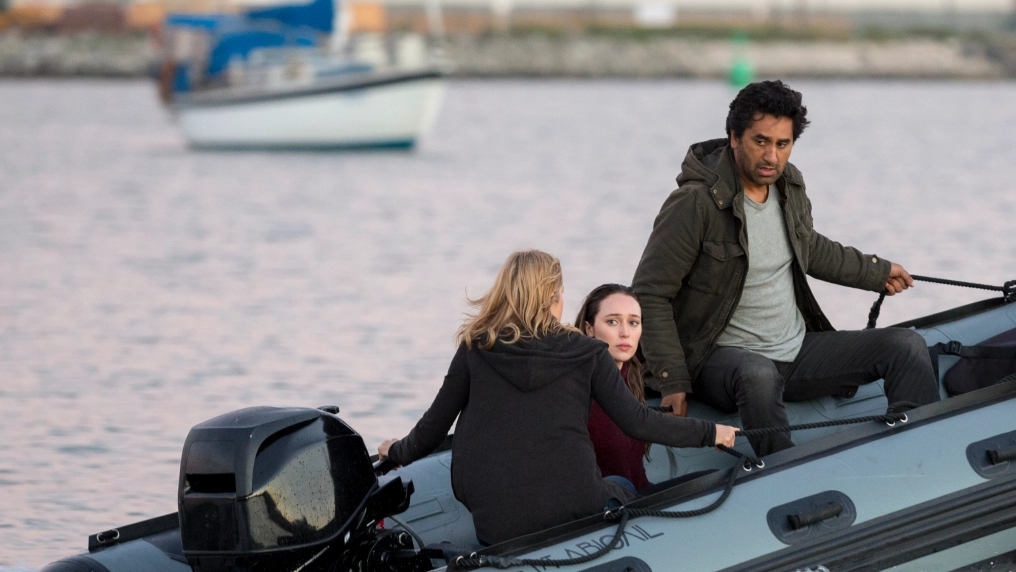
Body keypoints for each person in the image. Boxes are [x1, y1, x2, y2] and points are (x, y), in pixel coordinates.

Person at [632, 79, 938, 456]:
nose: (771, 157)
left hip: (794, 350)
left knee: (906, 346)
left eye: (782, 144)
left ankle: (921, 456)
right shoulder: (694, 204)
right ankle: (782, 472)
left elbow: (808, 246)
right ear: (734, 136)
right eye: (760, 141)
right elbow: (650, 293)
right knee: (758, 374)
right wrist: (672, 381)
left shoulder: (789, 185)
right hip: (719, 360)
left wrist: (875, 271)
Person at [378, 250, 737, 545]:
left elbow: (430, 431)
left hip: (498, 528)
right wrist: (711, 433)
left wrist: (395, 451)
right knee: (625, 487)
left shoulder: (475, 349)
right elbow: (637, 422)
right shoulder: (588, 353)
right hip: (577, 510)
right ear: (553, 298)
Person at [578, 283, 657, 492]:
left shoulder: (632, 378)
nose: (625, 333)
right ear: (589, 329)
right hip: (605, 510)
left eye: (633, 322)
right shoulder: (577, 389)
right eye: (612, 322)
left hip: (640, 496)